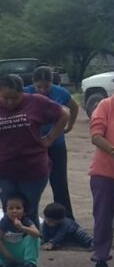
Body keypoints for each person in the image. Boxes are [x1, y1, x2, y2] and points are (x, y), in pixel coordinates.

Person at [0, 75, 69, 229]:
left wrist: (50, 138)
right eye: (5, 98)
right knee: (10, 213)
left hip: (33, 170)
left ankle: (30, 250)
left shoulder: (37, 102)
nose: (10, 102)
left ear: (22, 92)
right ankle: (10, 250)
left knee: (29, 212)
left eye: (15, 98)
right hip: (5, 171)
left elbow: (64, 114)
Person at [24, 67, 79, 219]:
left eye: (46, 86)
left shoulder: (60, 92)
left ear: (52, 83)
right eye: (39, 87)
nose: (42, 90)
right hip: (33, 146)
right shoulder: (25, 93)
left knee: (59, 182)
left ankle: (66, 219)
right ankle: (27, 218)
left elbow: (74, 107)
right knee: (30, 183)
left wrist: (70, 126)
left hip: (56, 144)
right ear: (33, 84)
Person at [0, 194, 41, 267]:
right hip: (6, 254)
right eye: (11, 208)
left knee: (34, 236)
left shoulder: (25, 220)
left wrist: (22, 227)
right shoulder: (5, 221)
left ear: (24, 211)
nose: (14, 211)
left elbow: (37, 233)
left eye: (18, 208)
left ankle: (30, 265)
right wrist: (7, 255)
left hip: (21, 253)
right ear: (6, 211)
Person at [88, 95, 114, 267]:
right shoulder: (106, 105)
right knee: (103, 219)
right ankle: (101, 260)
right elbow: (96, 136)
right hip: (105, 173)